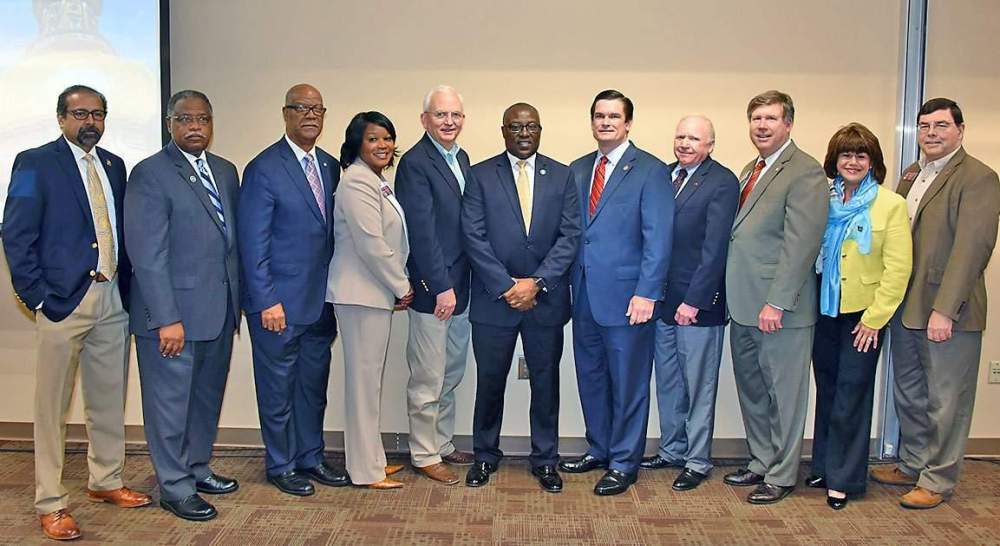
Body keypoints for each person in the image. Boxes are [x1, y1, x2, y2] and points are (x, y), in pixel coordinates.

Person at [3, 84, 150, 541]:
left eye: (98, 114)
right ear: (61, 118)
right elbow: (16, 232)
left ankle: (105, 480)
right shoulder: (33, 162)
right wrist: (38, 297)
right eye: (80, 114)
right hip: (63, 301)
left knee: (107, 398)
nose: (90, 122)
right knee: (51, 406)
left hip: (111, 298)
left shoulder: (114, 165)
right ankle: (50, 501)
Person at [871, 98, 1000, 509]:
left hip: (948, 311)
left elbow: (972, 248)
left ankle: (939, 479)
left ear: (960, 130)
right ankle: (912, 462)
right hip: (906, 304)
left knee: (946, 399)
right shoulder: (913, 174)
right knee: (909, 391)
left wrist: (946, 309)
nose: (931, 133)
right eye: (924, 126)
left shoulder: (978, 177)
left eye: (941, 125)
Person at [125, 90, 240, 521]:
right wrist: (166, 318)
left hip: (219, 309)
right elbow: (147, 254)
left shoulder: (225, 172)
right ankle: (173, 487)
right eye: (186, 118)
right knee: (169, 406)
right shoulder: (150, 174)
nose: (196, 126)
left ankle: (195, 467)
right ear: (169, 123)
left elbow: (229, 246)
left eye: (204, 119)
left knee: (205, 400)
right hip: (172, 318)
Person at [462, 103, 582, 492]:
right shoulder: (479, 175)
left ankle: (546, 459)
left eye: (531, 126)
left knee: (546, 383)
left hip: (544, 300)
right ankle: (484, 455)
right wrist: (508, 286)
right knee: (490, 380)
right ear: (503, 131)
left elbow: (570, 237)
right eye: (516, 127)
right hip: (493, 301)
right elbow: (473, 236)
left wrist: (538, 282)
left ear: (541, 129)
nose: (524, 133)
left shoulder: (563, 176)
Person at [559, 89, 673, 496]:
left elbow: (658, 238)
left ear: (628, 123)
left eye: (614, 116)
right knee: (590, 377)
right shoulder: (576, 169)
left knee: (629, 382)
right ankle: (600, 447)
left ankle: (625, 461)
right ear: (592, 122)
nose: (605, 122)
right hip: (584, 295)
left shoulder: (650, 170)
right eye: (599, 116)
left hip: (630, 300)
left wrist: (647, 293)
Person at [238, 84, 347, 496]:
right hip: (278, 306)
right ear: (285, 113)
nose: (310, 115)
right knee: (277, 389)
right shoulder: (264, 167)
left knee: (312, 388)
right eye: (301, 108)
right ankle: (281, 464)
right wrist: (267, 299)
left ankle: (310, 456)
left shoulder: (331, 166)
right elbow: (253, 242)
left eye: (317, 109)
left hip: (320, 304)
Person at [723, 90, 829, 504]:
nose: (761, 126)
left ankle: (783, 474)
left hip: (779, 310)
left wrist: (777, 302)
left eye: (770, 118)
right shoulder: (753, 168)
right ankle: (761, 460)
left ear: (788, 124)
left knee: (784, 395)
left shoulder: (804, 171)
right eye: (755, 118)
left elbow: (801, 245)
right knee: (753, 390)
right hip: (744, 304)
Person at [807, 123, 912, 510]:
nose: (852, 161)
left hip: (863, 317)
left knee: (853, 393)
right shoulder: (823, 198)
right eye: (845, 155)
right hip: (825, 310)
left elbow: (898, 269)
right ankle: (823, 464)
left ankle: (845, 478)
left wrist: (874, 319)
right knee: (829, 390)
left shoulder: (890, 205)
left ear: (873, 162)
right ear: (834, 160)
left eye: (860, 155)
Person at [639, 115, 739, 492]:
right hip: (662, 302)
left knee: (699, 386)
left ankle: (697, 460)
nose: (685, 143)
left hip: (697, 306)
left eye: (694, 138)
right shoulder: (663, 175)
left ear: (710, 145)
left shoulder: (722, 181)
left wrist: (694, 301)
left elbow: (715, 250)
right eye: (680, 136)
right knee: (667, 381)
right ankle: (671, 449)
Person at [327, 111, 413, 489]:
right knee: (363, 385)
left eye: (387, 138)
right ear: (358, 143)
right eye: (373, 139)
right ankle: (363, 471)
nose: (382, 145)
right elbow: (371, 245)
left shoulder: (377, 181)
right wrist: (402, 286)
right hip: (360, 294)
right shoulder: (357, 182)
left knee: (370, 383)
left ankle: (373, 460)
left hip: (372, 293)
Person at [394, 85, 475, 485]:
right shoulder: (415, 162)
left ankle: (442, 443)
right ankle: (424, 454)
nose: (449, 122)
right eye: (441, 115)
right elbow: (421, 233)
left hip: (461, 287)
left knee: (451, 371)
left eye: (455, 115)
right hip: (435, 290)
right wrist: (440, 285)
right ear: (424, 119)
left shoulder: (461, 157)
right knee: (427, 375)